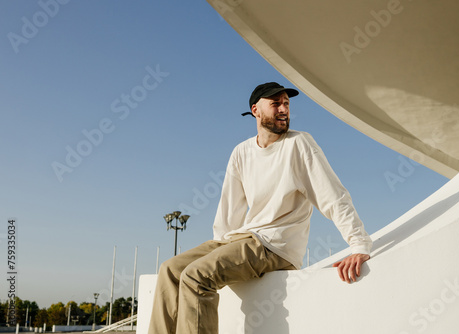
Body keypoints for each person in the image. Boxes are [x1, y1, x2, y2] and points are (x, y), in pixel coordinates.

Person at [148, 82, 372, 334]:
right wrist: (219, 247)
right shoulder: (241, 152)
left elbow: (332, 195)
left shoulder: (299, 144)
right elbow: (229, 207)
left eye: (286, 103)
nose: (283, 109)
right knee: (169, 270)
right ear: (255, 109)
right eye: (275, 103)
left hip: (275, 246)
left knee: (197, 276)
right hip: (244, 239)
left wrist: (358, 244)